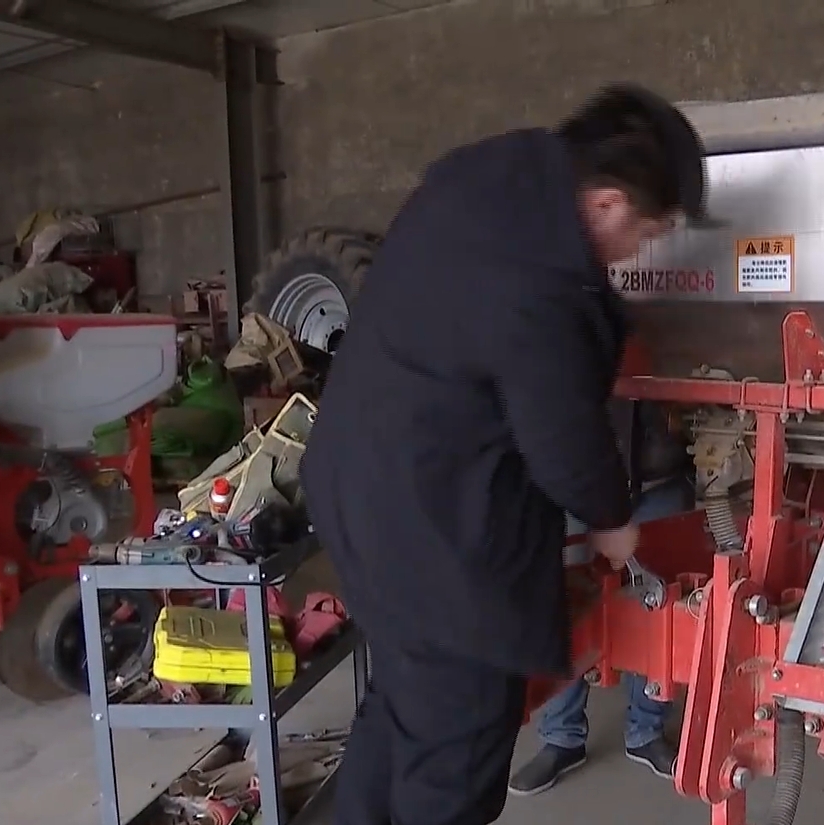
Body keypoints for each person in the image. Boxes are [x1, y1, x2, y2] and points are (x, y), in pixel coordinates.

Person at [299, 83, 711, 825]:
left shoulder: (491, 175)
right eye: (648, 233)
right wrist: (612, 519)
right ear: (608, 204)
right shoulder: (540, 283)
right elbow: (560, 434)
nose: (642, 252)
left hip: (360, 492)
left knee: (401, 706)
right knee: (453, 757)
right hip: (433, 535)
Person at [509, 401, 693, 796]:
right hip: (576, 484)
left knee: (658, 601)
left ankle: (646, 731)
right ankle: (562, 737)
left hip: (659, 478)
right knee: (566, 602)